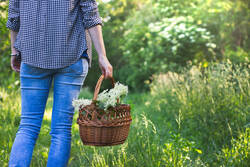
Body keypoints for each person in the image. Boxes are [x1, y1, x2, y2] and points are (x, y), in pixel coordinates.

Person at [6, 0, 112, 166]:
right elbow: (91, 14)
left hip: (32, 55)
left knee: (27, 127)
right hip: (72, 55)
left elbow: (14, 15)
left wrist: (14, 50)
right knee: (62, 129)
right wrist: (102, 56)